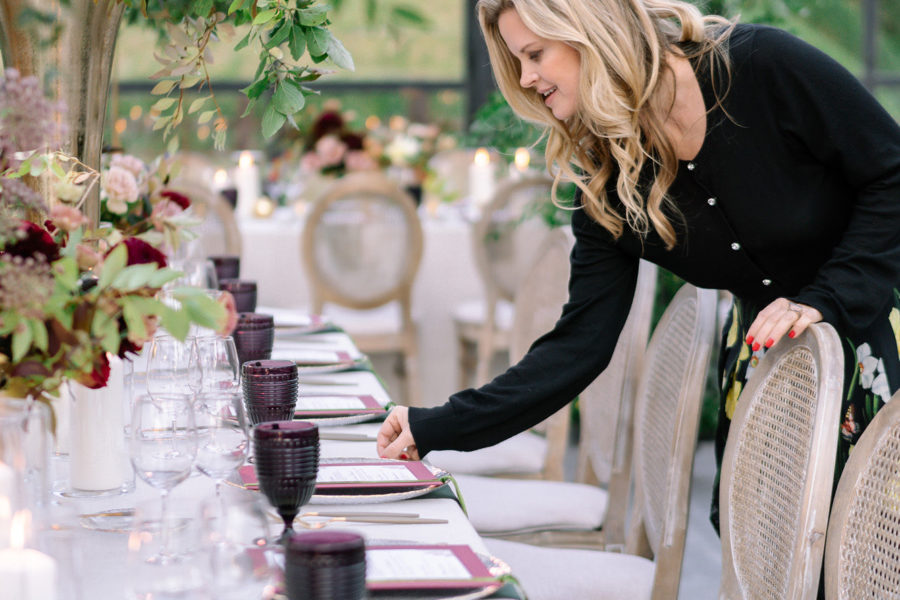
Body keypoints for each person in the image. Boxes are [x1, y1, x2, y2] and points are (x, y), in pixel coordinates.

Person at [377, 0, 900, 533]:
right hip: (773, 376)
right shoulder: (607, 186)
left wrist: (825, 299)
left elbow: (891, 172)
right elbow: (577, 348)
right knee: (773, 565)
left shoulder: (761, 65)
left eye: (534, 54)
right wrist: (433, 425)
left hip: (882, 330)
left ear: (588, 31)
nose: (526, 78)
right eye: (516, 62)